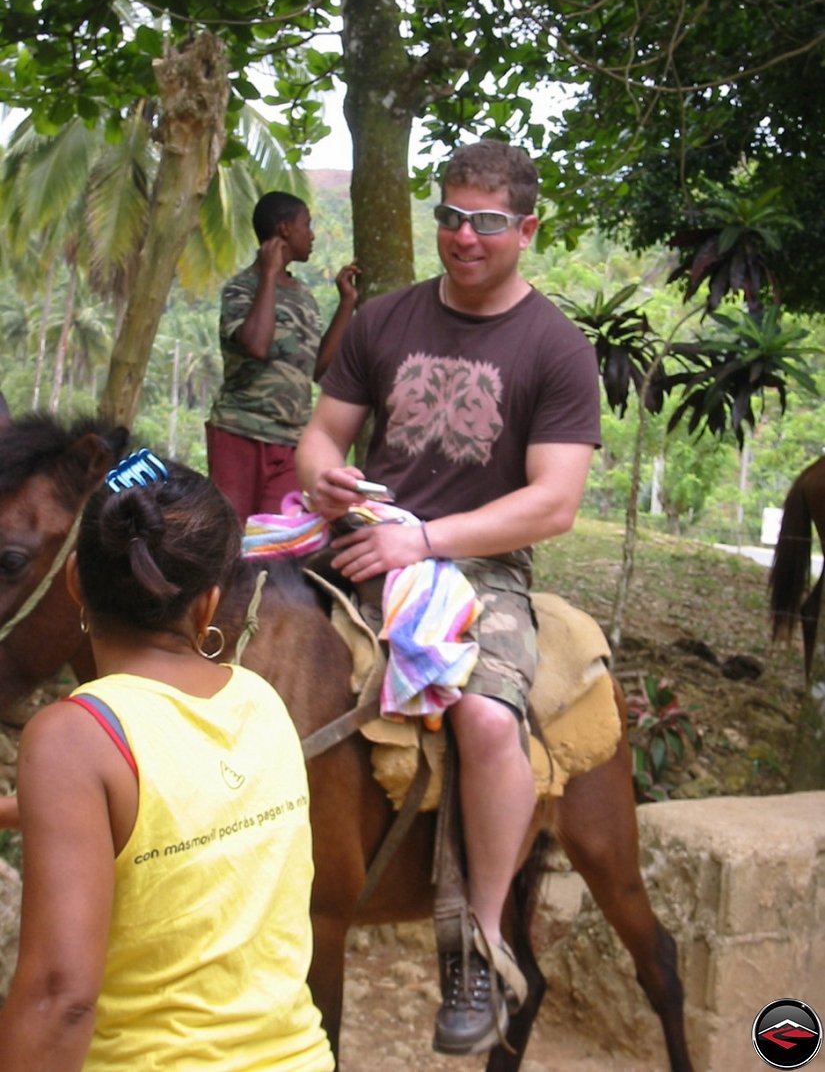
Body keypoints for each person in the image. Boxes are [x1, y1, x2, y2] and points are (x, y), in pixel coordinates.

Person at [295, 139, 601, 1056]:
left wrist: (423, 539)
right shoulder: (384, 320)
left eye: (487, 222)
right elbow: (321, 437)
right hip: (362, 541)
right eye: (451, 217)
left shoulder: (554, 347)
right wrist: (324, 481)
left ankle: (479, 940)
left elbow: (552, 502)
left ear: (526, 229)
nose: (463, 237)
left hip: (480, 567)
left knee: (487, 720)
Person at [0, 449, 334, 1072]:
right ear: (209, 603)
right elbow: (174, 804)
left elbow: (60, 999)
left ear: (74, 579)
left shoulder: (73, 738)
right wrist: (23, 810)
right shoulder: (259, 701)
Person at [207, 190, 359, 522]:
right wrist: (268, 275)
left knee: (278, 541)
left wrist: (346, 303)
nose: (312, 233)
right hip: (240, 432)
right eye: (307, 224)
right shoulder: (241, 288)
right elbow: (256, 345)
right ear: (285, 229)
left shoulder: (304, 297)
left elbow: (318, 370)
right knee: (230, 537)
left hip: (291, 441)